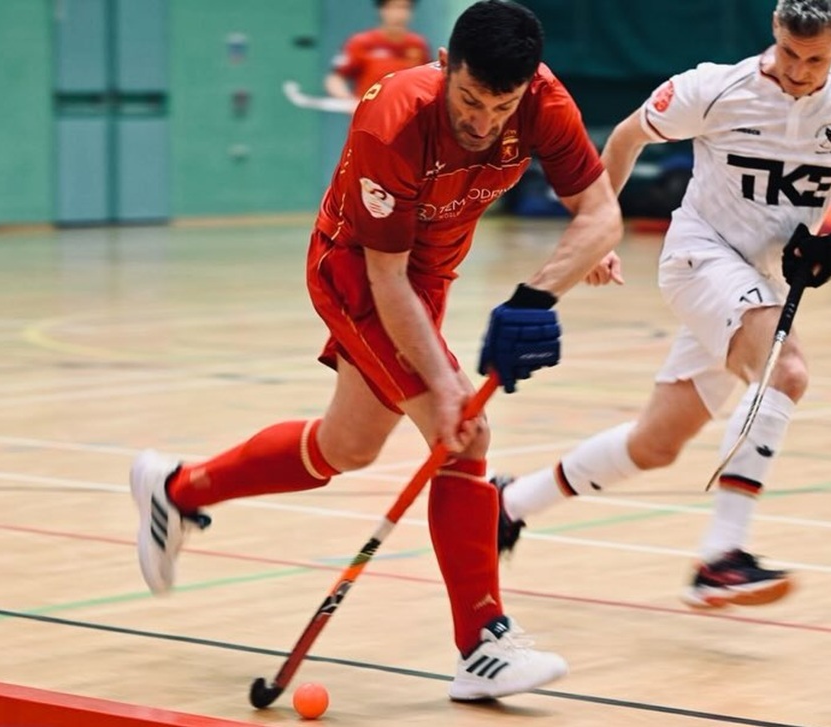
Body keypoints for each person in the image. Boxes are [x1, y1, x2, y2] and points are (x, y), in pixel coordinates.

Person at [131, 0, 621, 701]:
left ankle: (175, 489)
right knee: (464, 431)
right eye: (471, 99)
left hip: (433, 272)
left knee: (349, 445)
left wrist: (552, 281)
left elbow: (601, 213)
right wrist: (447, 388)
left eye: (501, 105)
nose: (483, 123)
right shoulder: (394, 118)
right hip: (358, 270)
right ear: (446, 65)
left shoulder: (544, 101)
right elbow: (387, 279)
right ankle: (482, 643)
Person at [495, 0, 831, 609]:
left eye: (814, 59)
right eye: (789, 51)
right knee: (784, 374)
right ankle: (721, 557)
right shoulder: (713, 88)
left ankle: (511, 503)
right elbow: (626, 137)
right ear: (774, 32)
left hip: (764, 284)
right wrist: (598, 228)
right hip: (699, 259)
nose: (797, 70)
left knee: (656, 445)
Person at [325, 0, 431, 101]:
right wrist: (349, 100)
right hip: (370, 114)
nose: (399, 14)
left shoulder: (419, 44)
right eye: (393, 7)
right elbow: (335, 79)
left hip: (407, 114)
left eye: (405, 8)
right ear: (381, 10)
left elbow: (429, 80)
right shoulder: (361, 42)